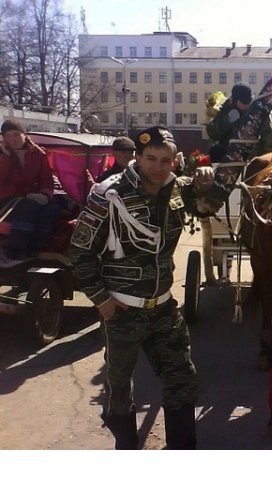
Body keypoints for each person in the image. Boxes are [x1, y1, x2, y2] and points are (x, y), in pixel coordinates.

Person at [69, 126, 200, 449]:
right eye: (151, 158)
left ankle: (183, 452)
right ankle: (127, 450)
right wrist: (101, 299)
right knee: (120, 388)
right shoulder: (109, 194)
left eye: (165, 160)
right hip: (123, 309)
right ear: (137, 158)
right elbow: (81, 251)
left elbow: (208, 205)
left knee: (182, 380)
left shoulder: (177, 190)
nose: (158, 166)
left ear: (174, 162)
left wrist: (214, 183)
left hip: (163, 307)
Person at [0, 119, 61, 260]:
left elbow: (46, 179)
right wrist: (6, 158)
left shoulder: (37, 153)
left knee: (52, 208)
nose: (12, 139)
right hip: (5, 199)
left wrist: (45, 194)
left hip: (30, 197)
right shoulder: (2, 155)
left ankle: (35, 248)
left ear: (24, 135)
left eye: (16, 134)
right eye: (8, 136)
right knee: (27, 206)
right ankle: (15, 250)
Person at [206, 82, 272, 161]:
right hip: (228, 160)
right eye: (244, 102)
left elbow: (270, 140)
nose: (247, 105)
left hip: (253, 160)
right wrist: (227, 121)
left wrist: (267, 161)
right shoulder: (225, 109)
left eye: (248, 101)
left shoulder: (259, 111)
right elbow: (212, 133)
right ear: (235, 101)